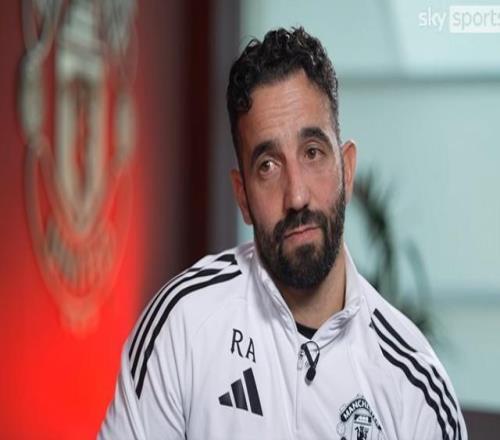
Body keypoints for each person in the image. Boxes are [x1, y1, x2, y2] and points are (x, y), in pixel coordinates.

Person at [99, 27, 467, 440]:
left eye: (312, 153)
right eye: (268, 166)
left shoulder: (415, 388)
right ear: (242, 196)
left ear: (346, 170)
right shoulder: (183, 325)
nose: (296, 196)